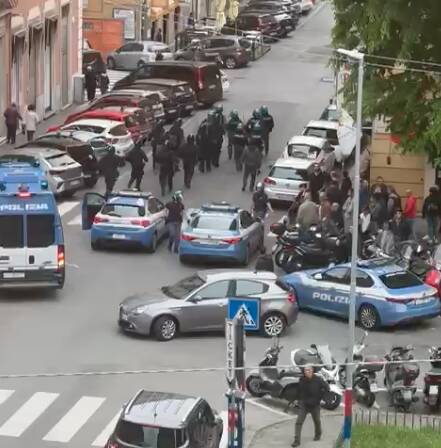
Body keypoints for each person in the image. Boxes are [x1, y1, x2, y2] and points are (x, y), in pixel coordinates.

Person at [292, 365, 330, 447]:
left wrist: (322, 398)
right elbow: (299, 391)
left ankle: (318, 434)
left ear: (312, 371)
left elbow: (327, 388)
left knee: (317, 421)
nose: (307, 372)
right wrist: (297, 399)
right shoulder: (302, 380)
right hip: (304, 404)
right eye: (306, 370)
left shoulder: (318, 380)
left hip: (315, 404)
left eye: (309, 370)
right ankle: (297, 440)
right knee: (299, 422)